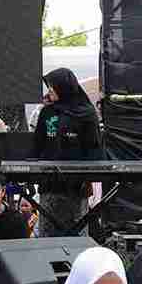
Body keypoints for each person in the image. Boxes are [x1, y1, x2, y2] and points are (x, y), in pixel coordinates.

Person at [32, 68, 101, 232]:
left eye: (52, 87)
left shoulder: (87, 114)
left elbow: (93, 148)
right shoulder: (47, 112)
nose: (49, 91)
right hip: (50, 184)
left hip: (77, 187)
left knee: (76, 232)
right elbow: (38, 144)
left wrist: (89, 177)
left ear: (64, 87)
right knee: (48, 231)